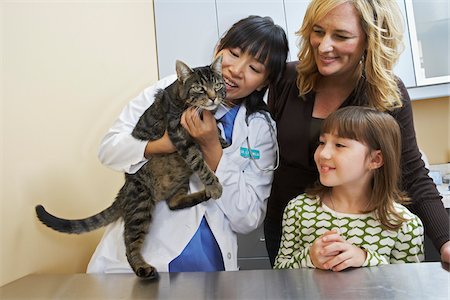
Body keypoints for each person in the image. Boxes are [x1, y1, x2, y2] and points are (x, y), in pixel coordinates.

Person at [86, 15, 289, 273]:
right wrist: (162, 144)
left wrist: (213, 148)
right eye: (234, 54)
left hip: (209, 267)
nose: (237, 70)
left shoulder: (260, 129)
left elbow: (248, 219)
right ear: (218, 49)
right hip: (144, 260)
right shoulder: (168, 90)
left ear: (266, 82)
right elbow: (110, 150)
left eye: (255, 68)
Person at [264, 0, 450, 266]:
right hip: (293, 226)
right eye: (318, 31)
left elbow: (411, 172)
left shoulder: (387, 94)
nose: (324, 46)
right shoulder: (286, 80)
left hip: (364, 231)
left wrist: (446, 240)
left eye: (341, 36)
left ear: (370, 39)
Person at [274, 106, 424, 271]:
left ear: (375, 159)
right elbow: (281, 273)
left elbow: (407, 287)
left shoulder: (404, 225)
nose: (323, 153)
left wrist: (366, 258)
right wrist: (309, 257)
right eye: (322, 142)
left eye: (339, 145)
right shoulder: (298, 210)